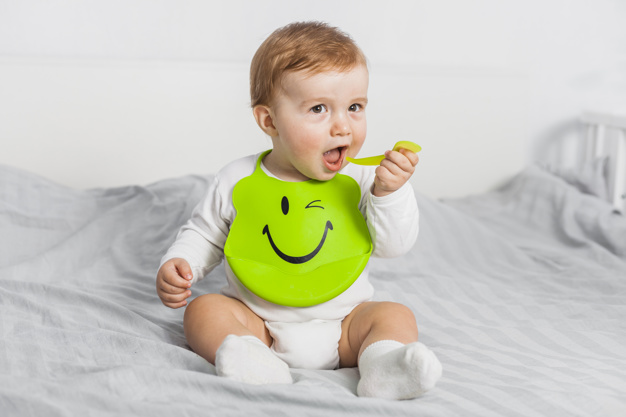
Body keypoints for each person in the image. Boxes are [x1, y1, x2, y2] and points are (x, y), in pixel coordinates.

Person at [156, 21, 442, 400]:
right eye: (319, 109)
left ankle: (383, 365)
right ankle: (251, 359)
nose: (342, 126)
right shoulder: (237, 179)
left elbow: (394, 245)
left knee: (395, 315)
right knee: (204, 311)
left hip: (344, 325)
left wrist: (390, 193)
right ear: (269, 120)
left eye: (355, 107)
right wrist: (181, 262)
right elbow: (206, 232)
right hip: (258, 320)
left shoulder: (363, 179)